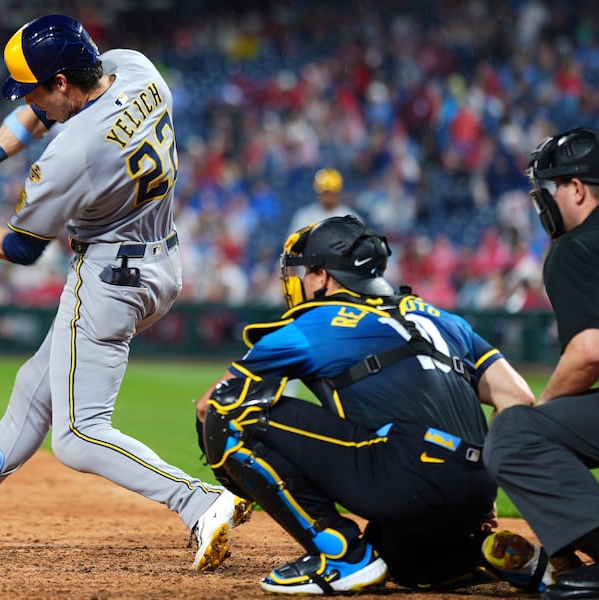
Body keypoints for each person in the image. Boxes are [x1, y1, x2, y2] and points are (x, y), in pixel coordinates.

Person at [0, 14, 252, 570]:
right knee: (34, 389)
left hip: (109, 278)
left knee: (77, 434)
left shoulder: (71, 153)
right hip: (161, 258)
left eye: (36, 90)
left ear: (61, 84)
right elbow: (40, 112)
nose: (30, 102)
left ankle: (198, 501)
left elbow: (23, 249)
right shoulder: (135, 69)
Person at [198, 215, 547, 594]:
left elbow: (208, 405)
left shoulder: (316, 320)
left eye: (308, 271)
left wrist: (241, 479)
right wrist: (484, 484)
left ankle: (341, 556)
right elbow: (518, 397)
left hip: (406, 475)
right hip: (475, 489)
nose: (300, 281)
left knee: (227, 410)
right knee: (401, 559)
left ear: (326, 277)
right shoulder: (443, 319)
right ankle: (474, 554)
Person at [485, 127, 599, 600]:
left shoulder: (575, 247)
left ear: (575, 188)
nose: (545, 201)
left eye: (550, 188)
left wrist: (541, 411)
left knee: (513, 434)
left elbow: (591, 350)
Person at [287, 167, 360, 237]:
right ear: (318, 194)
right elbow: (292, 246)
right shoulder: (304, 216)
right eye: (325, 193)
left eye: (331, 193)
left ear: (339, 193)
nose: (328, 197)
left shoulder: (351, 218)